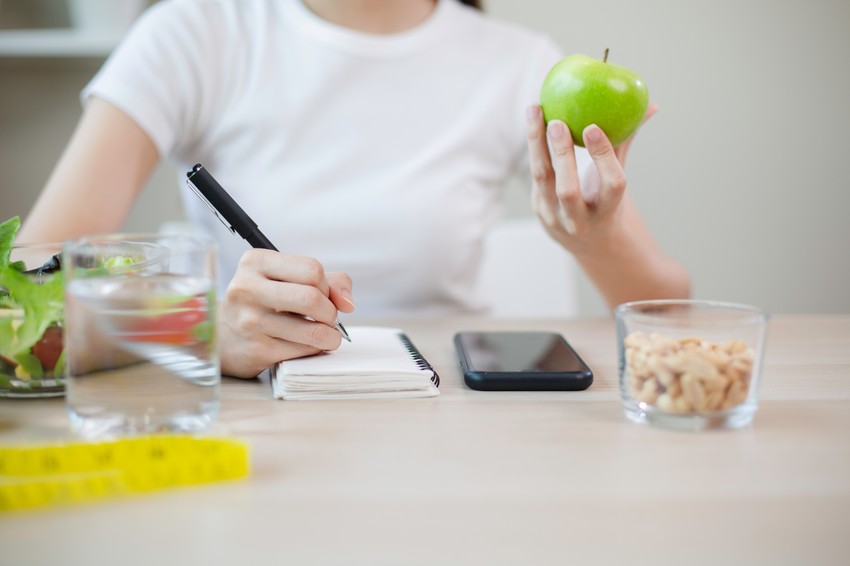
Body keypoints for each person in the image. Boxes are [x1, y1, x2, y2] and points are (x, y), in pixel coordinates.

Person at [18, 0, 690, 378]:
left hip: (451, 433)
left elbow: (667, 316)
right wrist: (199, 329)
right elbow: (20, 305)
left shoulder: (518, 61)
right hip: (246, 427)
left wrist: (597, 241)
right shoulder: (194, 33)